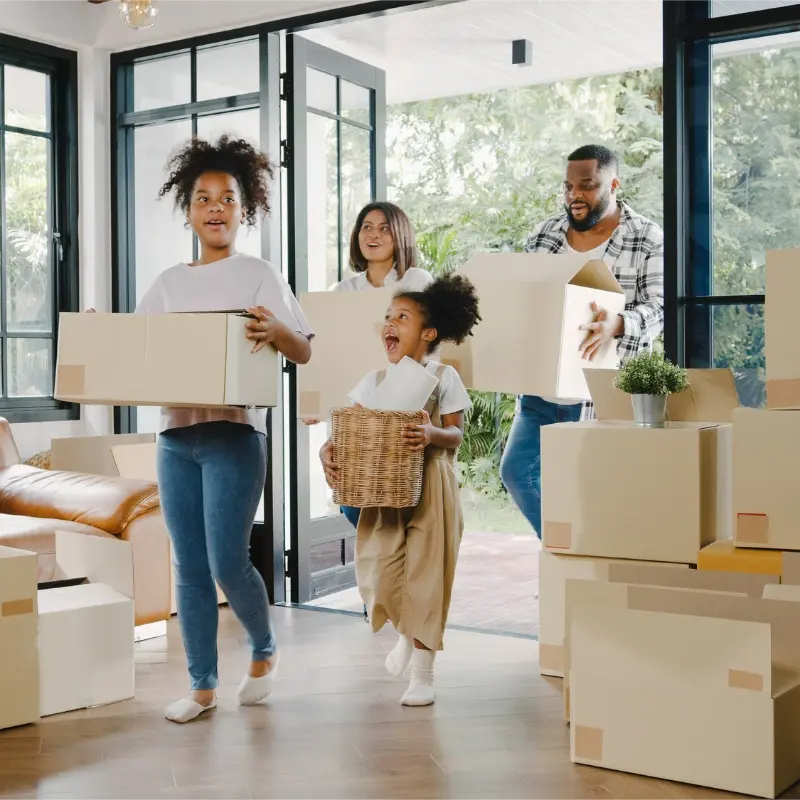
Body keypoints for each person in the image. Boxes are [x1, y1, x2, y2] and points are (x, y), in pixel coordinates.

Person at [136, 135, 313, 724]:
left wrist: (275, 334)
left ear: (245, 209)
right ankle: (202, 686)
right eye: (204, 198)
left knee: (226, 562)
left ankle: (263, 648)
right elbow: (136, 351)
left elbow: (302, 350)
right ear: (188, 209)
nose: (216, 208)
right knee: (187, 564)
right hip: (174, 439)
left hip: (235, 437)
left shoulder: (258, 273)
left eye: (228, 199)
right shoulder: (167, 283)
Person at [320, 275, 480, 706]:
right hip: (384, 491)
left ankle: (423, 675)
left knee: (428, 576)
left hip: (432, 485)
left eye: (402, 318)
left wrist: (431, 433)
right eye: (387, 318)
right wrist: (327, 449)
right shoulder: (373, 382)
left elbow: (456, 436)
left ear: (428, 333)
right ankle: (406, 634)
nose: (389, 325)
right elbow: (346, 430)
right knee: (379, 568)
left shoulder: (443, 376)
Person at [500, 144, 664, 538]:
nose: (574, 194)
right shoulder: (544, 236)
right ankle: (563, 552)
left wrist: (619, 323)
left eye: (587, 185)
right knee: (517, 472)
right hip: (542, 391)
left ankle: (586, 564)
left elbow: (661, 306)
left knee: (592, 491)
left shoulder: (645, 237)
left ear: (614, 183)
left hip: (603, 391)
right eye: (568, 186)